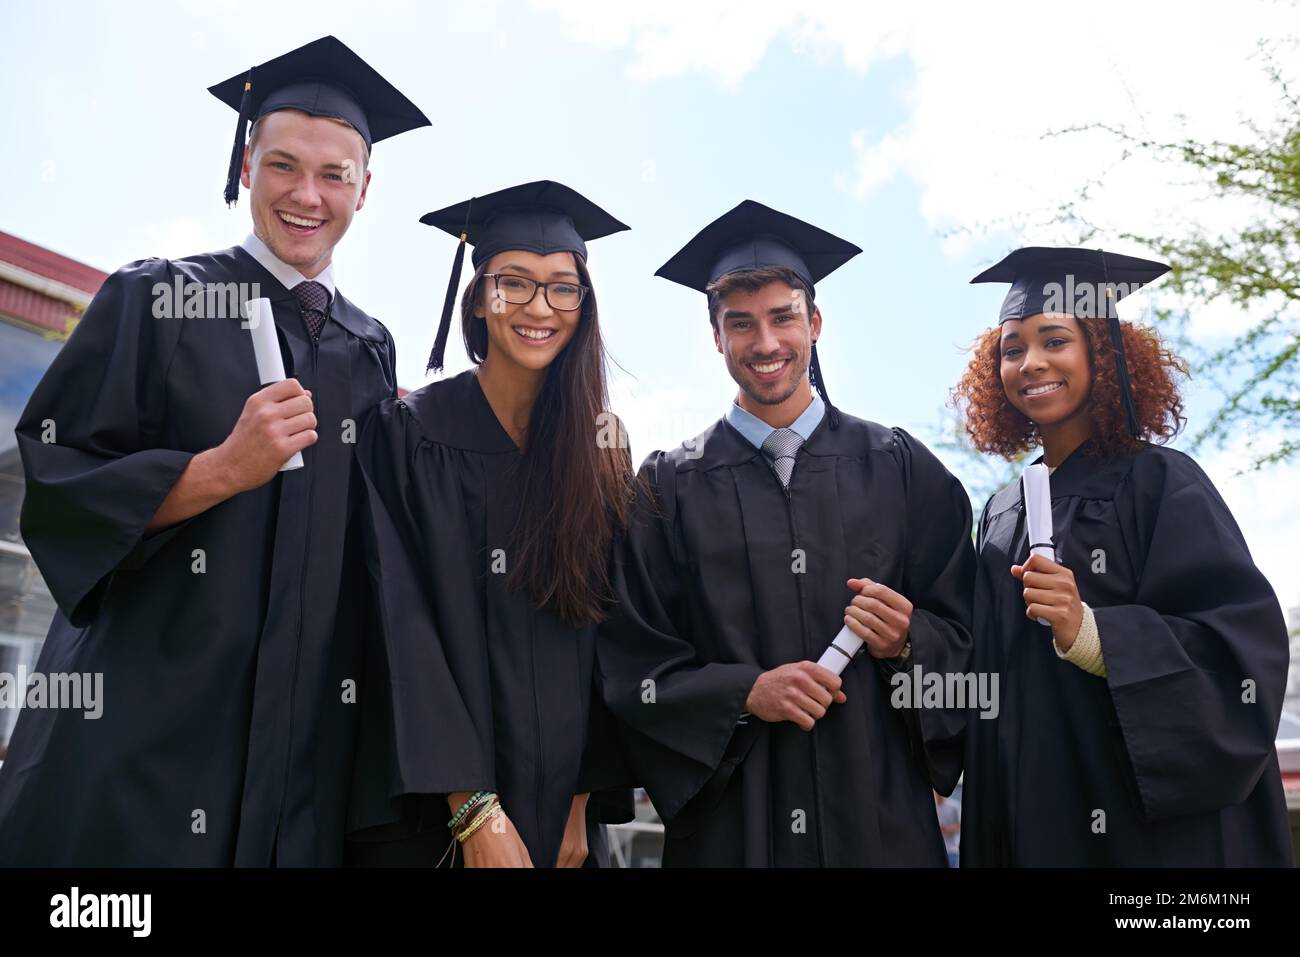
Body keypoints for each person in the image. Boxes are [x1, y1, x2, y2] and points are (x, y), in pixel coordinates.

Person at [0, 36, 429, 866]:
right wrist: (217, 470)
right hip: (144, 747)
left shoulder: (370, 348)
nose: (307, 195)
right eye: (282, 165)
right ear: (243, 166)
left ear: (365, 189)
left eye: (334, 175)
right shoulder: (158, 298)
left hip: (301, 768)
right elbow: (55, 488)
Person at [597, 200, 976, 866]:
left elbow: (977, 643)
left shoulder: (900, 468)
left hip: (879, 826)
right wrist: (744, 691)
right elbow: (633, 666)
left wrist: (911, 641)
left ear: (815, 322)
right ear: (716, 335)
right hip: (732, 834)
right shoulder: (667, 489)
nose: (765, 344)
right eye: (741, 324)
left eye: (782, 317)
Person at [953, 246, 1294, 866]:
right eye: (1012, 348)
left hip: (1145, 833)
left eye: (1054, 340)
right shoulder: (1002, 514)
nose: (1031, 363)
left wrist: (1092, 633)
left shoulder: (1160, 481)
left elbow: (1240, 648)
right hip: (1029, 812)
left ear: (1102, 356)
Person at [345, 181, 635, 868]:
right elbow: (398, 618)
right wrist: (470, 807)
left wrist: (579, 807)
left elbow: (617, 630)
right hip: (431, 814)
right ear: (478, 297)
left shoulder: (601, 446)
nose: (540, 307)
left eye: (563, 288)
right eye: (514, 283)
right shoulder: (409, 432)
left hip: (565, 813)